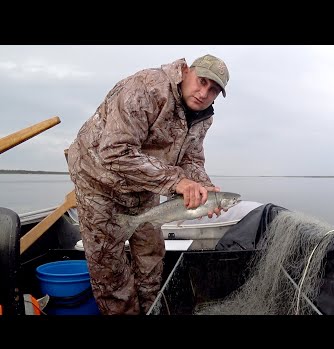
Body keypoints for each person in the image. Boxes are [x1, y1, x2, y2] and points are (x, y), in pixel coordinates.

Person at [67, 54, 230, 315]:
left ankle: (151, 310)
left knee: (152, 259)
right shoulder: (146, 87)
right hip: (100, 183)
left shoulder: (203, 117)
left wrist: (202, 187)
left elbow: (191, 158)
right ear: (186, 71)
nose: (203, 93)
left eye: (213, 90)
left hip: (146, 185)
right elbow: (115, 151)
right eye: (202, 82)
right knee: (111, 273)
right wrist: (177, 181)